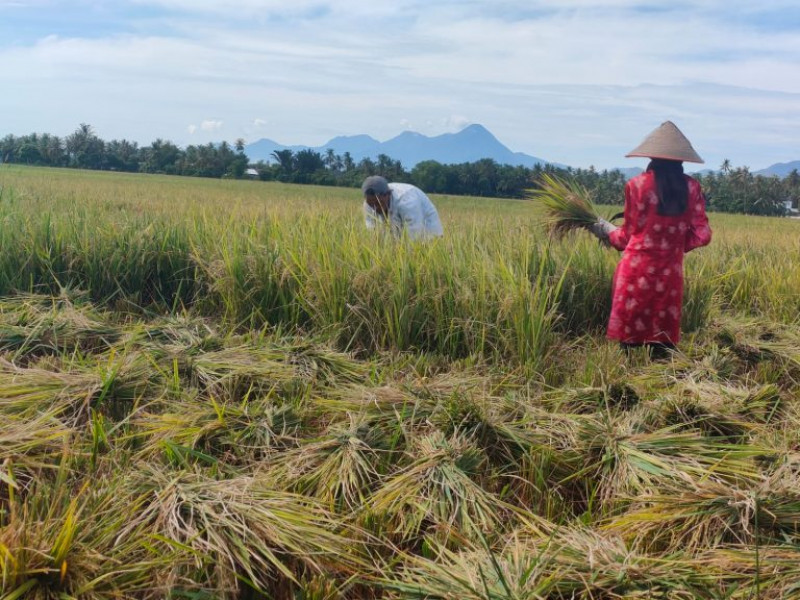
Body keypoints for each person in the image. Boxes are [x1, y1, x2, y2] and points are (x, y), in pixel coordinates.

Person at [589, 121, 712, 358]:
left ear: (652, 157)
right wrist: (674, 245)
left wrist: (605, 230)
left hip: (636, 271)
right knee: (662, 348)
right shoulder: (692, 188)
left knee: (629, 348)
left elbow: (626, 237)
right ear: (681, 160)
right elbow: (703, 235)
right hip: (669, 275)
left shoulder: (636, 186)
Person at [361, 176, 443, 240]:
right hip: (400, 227)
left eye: (378, 203)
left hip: (428, 227)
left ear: (388, 194)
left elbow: (414, 234)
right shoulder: (368, 203)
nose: (374, 208)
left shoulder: (407, 201)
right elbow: (372, 230)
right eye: (371, 204)